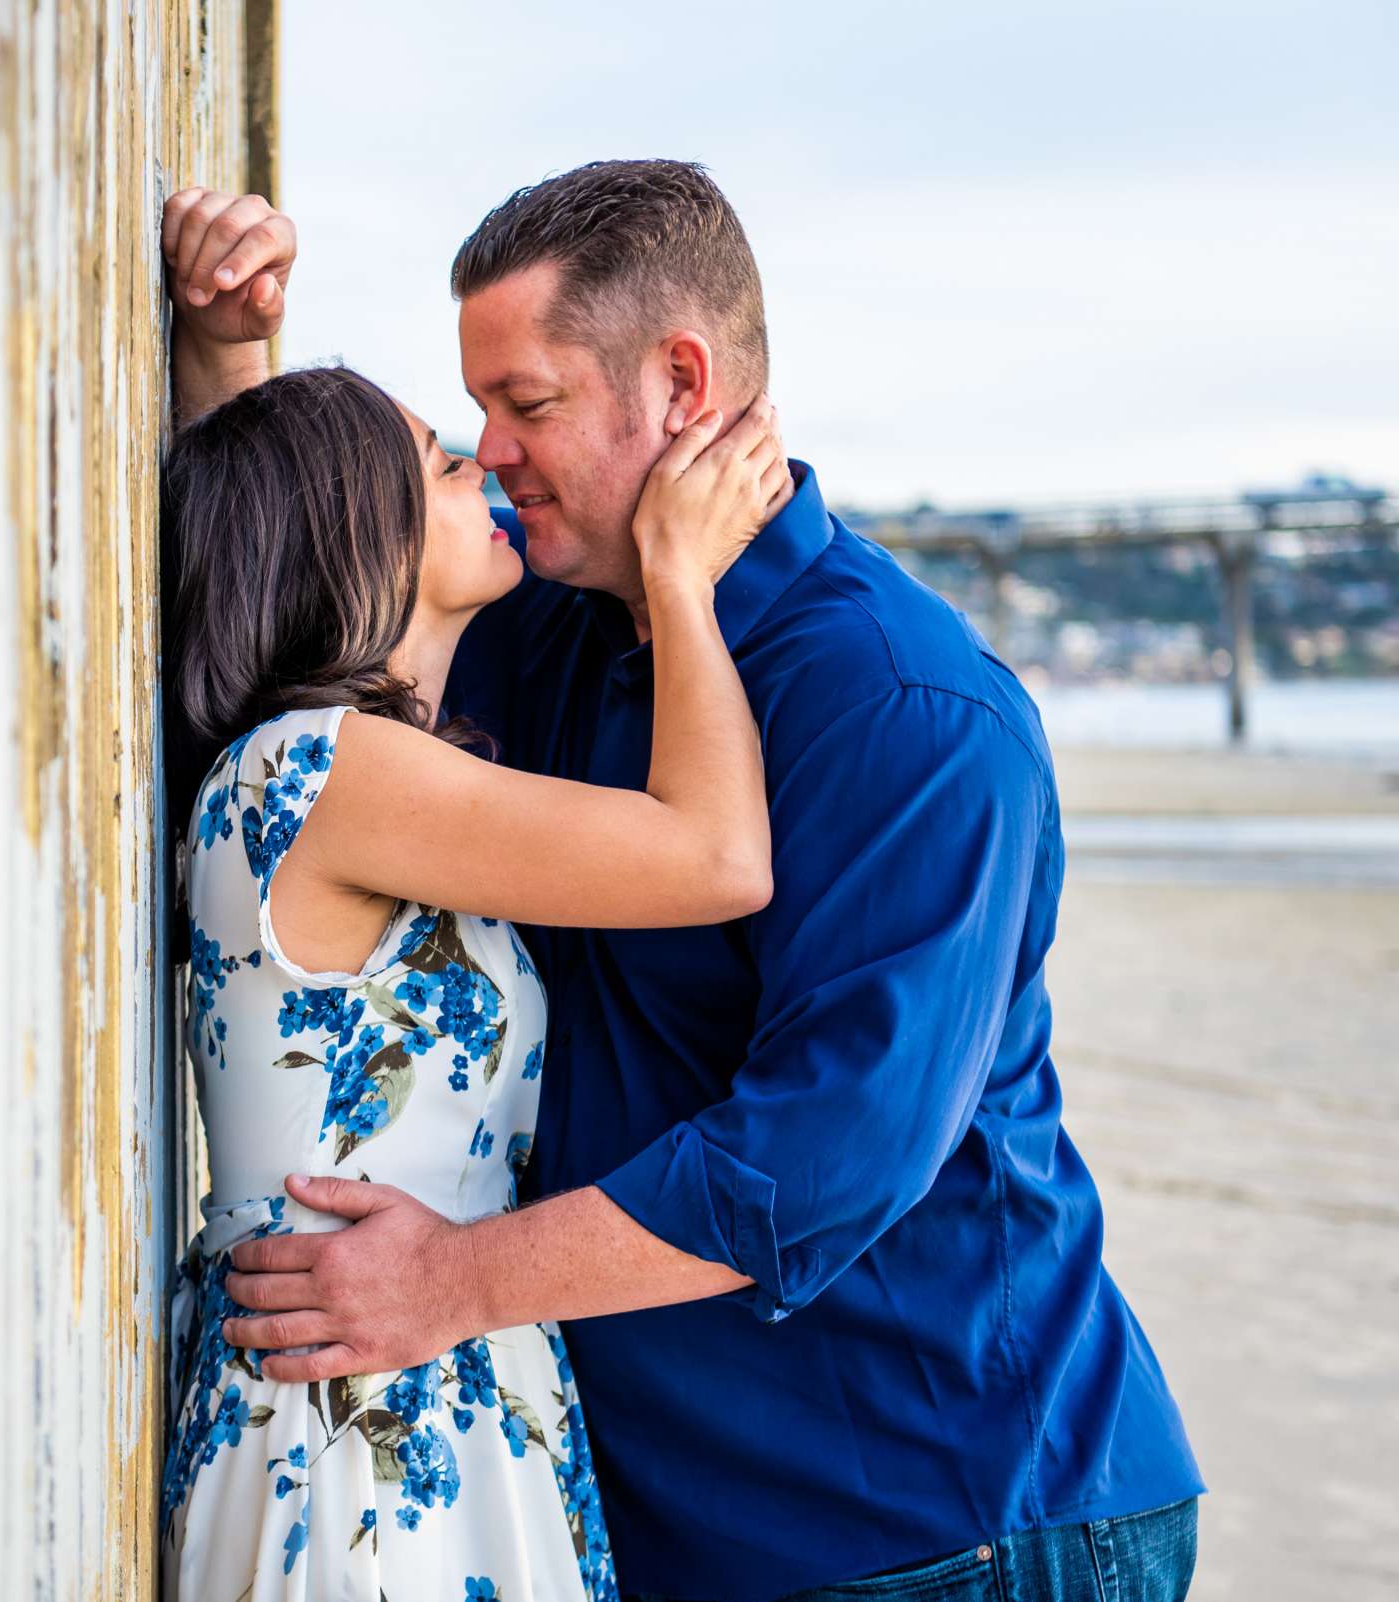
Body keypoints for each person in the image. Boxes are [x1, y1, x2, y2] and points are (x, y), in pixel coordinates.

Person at [166, 163, 1203, 1602]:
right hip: (660, 1511)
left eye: (527, 408)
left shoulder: (908, 714)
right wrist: (229, 358)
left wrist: (452, 1279)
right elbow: (308, 613)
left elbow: (813, 1162)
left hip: (935, 1512)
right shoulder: (552, 629)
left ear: (679, 383)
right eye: (474, 420)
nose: (493, 452)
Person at [158, 232, 789, 1595]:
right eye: (446, 462)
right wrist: (682, 578)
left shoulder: (329, 768)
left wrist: (227, 355)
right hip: (364, 1429)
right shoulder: (332, 769)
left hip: (397, 1385)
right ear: (362, 536)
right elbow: (719, 856)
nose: (489, 465)